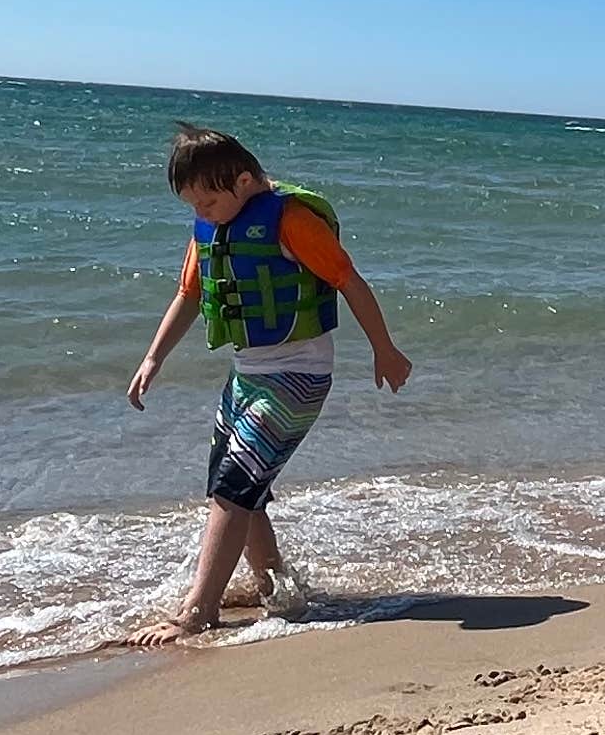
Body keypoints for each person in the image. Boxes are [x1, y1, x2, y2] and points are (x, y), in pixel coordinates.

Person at [124, 125, 411, 641]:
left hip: (298, 375)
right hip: (246, 377)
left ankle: (198, 611)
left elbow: (349, 281)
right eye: (192, 205)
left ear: (243, 181)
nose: (202, 213)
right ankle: (275, 590)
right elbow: (189, 295)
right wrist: (153, 359)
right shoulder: (210, 227)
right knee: (239, 489)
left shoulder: (291, 221)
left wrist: (384, 349)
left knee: (232, 491)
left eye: (209, 201)